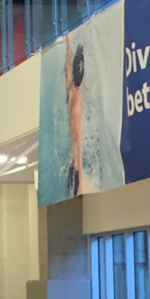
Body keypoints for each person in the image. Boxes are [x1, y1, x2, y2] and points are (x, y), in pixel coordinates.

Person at [65, 36, 85, 197]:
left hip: (76, 166)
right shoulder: (75, 95)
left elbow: (67, 68)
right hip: (77, 167)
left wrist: (68, 43)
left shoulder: (72, 93)